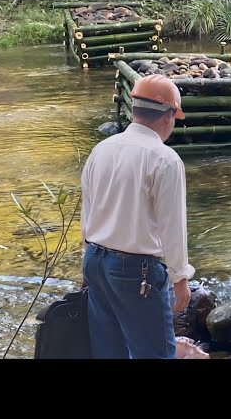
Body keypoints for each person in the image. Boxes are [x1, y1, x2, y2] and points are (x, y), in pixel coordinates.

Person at [80, 74, 195, 359]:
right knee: (155, 352)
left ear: (135, 110)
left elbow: (88, 210)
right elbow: (172, 226)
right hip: (135, 271)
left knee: (109, 350)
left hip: (95, 260)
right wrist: (180, 278)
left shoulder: (101, 149)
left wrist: (87, 261)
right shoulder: (164, 158)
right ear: (169, 116)